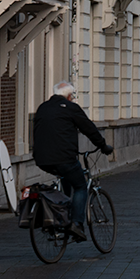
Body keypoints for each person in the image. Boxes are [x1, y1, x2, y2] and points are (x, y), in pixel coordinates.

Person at [32, 80, 113, 241]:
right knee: (81, 186)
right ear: (69, 96)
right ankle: (76, 224)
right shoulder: (71, 108)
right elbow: (89, 129)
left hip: (41, 159)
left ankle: (62, 216)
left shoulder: (42, 107)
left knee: (66, 179)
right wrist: (103, 146)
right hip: (64, 158)